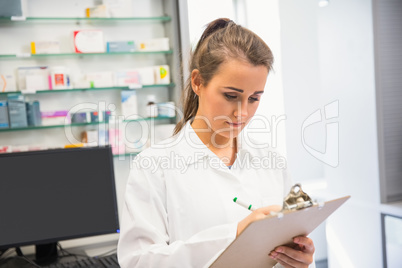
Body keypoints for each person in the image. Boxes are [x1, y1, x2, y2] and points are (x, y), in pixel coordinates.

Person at [117, 18, 315, 268]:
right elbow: (139, 262)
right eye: (231, 96)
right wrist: (233, 235)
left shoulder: (271, 162)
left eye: (254, 98)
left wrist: (299, 260)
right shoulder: (154, 167)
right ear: (198, 82)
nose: (242, 112)